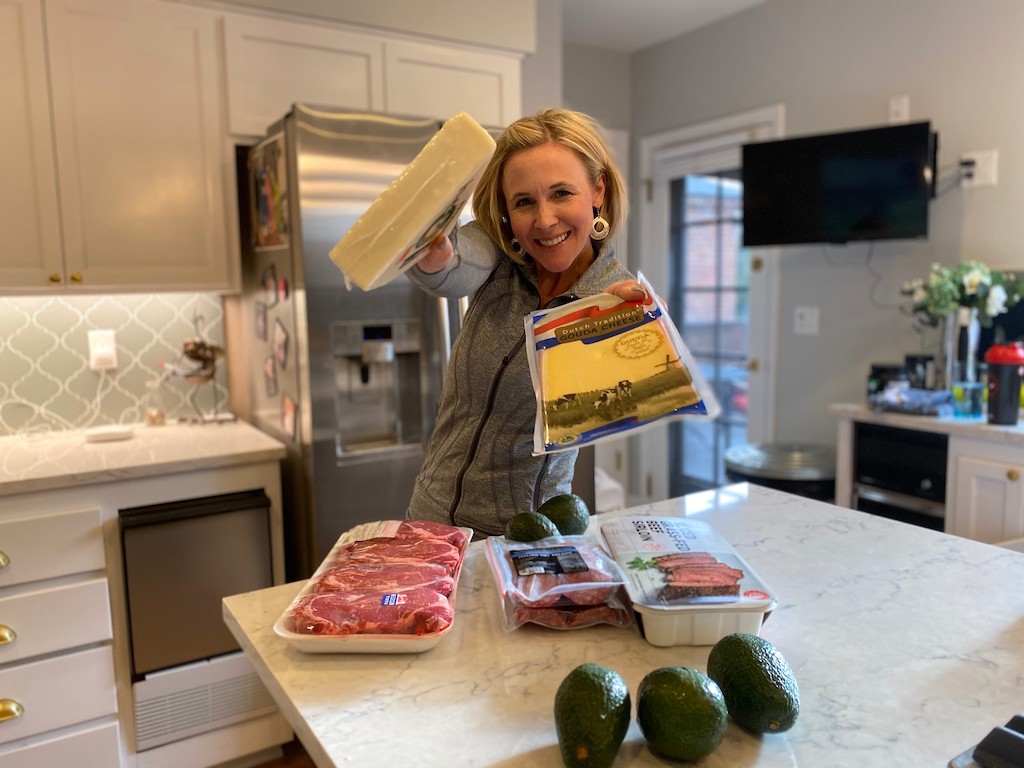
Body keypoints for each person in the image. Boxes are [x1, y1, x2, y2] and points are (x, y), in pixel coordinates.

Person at [404, 108, 643, 538]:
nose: (545, 220)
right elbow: (451, 269)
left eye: (561, 193)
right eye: (524, 202)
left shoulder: (614, 299)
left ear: (597, 190)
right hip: (429, 522)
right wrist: (434, 254)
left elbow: (623, 399)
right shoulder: (499, 257)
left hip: (524, 535)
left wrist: (621, 338)